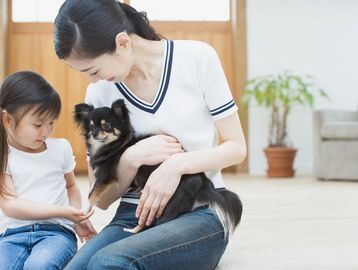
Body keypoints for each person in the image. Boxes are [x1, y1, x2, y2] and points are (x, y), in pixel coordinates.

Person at [54, 0, 247, 269]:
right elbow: (100, 197)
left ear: (122, 42)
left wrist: (176, 166)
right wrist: (130, 158)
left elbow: (236, 147)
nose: (93, 81)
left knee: (109, 262)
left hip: (199, 209)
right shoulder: (99, 93)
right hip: (132, 213)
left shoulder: (197, 58)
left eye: (94, 70)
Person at [0, 71, 97, 270]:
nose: (45, 131)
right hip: (12, 235)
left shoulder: (60, 148)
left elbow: (71, 186)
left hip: (56, 232)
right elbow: (10, 205)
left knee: (38, 266)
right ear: (8, 120)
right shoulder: (4, 155)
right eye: (37, 124)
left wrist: (74, 216)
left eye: (51, 123)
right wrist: (64, 212)